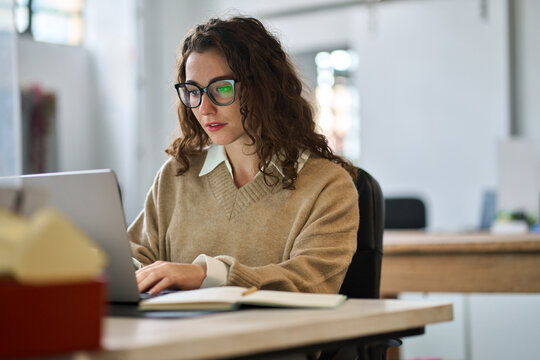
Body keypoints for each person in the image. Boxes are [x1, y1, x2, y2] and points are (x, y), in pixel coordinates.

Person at [129, 16, 359, 296]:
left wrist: (206, 275)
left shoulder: (328, 185)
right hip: (179, 336)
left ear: (264, 88)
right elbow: (135, 257)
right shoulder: (177, 174)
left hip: (274, 339)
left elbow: (310, 281)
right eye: (193, 91)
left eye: (222, 88)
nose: (204, 108)